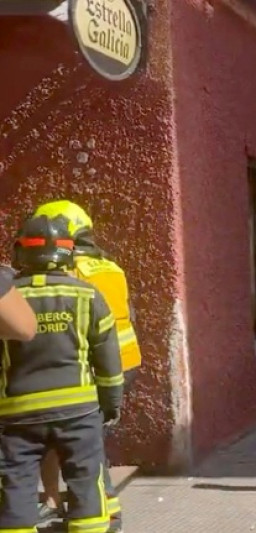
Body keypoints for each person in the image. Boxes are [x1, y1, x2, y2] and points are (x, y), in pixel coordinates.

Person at [0, 214, 123, 533]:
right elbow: (108, 360)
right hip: (79, 413)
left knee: (16, 487)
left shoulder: (7, 300)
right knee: (86, 484)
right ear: (68, 252)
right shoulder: (87, 295)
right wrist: (110, 404)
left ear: (21, 252)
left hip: (17, 415)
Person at [32, 200, 139, 523]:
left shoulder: (68, 270)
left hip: (91, 365)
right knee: (87, 440)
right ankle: (93, 508)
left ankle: (98, 512)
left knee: (80, 445)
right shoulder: (110, 266)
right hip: (125, 362)